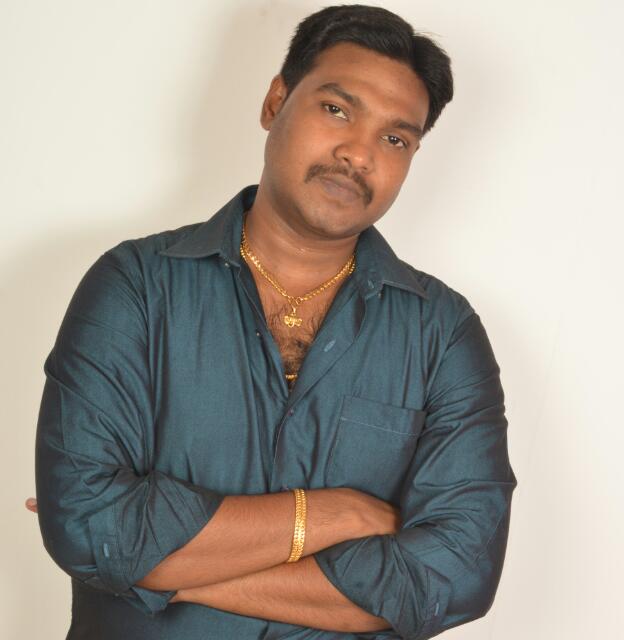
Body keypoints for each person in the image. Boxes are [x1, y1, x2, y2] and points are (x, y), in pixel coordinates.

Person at [29, 4, 517, 639]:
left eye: (395, 139)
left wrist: (147, 569)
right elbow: (88, 524)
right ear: (275, 102)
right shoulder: (136, 287)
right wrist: (332, 516)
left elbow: (452, 580)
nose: (357, 153)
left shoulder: (442, 334)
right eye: (337, 109)